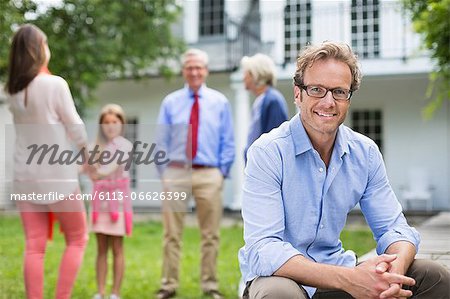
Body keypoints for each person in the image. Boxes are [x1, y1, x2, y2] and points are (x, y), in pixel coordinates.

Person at [238, 42, 450, 299]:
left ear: (349, 98)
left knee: (434, 277)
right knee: (279, 294)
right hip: (282, 277)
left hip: (340, 272)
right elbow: (265, 249)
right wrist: (351, 279)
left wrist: (392, 273)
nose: (328, 102)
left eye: (339, 92)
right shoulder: (267, 152)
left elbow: (395, 228)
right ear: (298, 93)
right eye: (316, 89)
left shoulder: (365, 152)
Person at [5, 24, 89, 299]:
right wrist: (87, 158)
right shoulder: (55, 84)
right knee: (77, 238)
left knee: (34, 246)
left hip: (24, 176)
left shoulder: (11, 91)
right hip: (57, 176)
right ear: (38, 49)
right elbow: (76, 128)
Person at [156, 48, 235, 299]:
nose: (194, 72)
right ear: (183, 71)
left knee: (210, 235)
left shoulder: (220, 102)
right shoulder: (170, 102)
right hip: (176, 173)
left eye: (199, 67)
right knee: (171, 234)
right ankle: (168, 285)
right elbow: (161, 140)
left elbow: (228, 140)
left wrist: (221, 172)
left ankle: (210, 286)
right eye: (190, 67)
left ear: (206, 71)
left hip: (209, 174)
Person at [90, 104, 133, 299]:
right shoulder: (95, 147)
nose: (110, 126)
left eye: (114, 122)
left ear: (121, 124)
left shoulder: (125, 145)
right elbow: (84, 167)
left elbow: (108, 169)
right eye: (106, 123)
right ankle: (100, 292)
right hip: (100, 203)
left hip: (117, 202)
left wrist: (97, 173)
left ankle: (115, 293)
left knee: (117, 248)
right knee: (101, 249)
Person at [240, 53, 288, 160]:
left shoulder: (272, 100)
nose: (243, 77)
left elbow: (275, 143)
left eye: (246, 73)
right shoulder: (261, 100)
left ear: (255, 74)